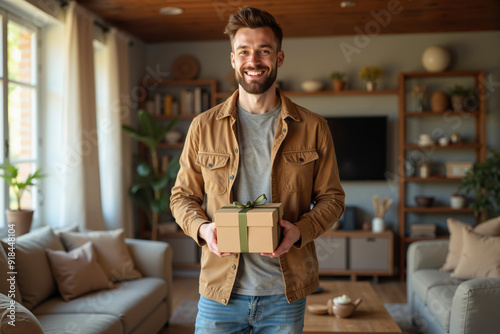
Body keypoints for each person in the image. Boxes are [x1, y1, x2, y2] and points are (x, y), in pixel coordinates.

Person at [170, 6, 345, 333]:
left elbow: (332, 199)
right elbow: (182, 197)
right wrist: (204, 231)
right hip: (219, 292)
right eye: (244, 52)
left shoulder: (313, 127)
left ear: (278, 58)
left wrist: (298, 232)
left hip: (285, 292)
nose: (254, 60)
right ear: (233, 59)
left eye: (264, 51)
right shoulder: (202, 127)